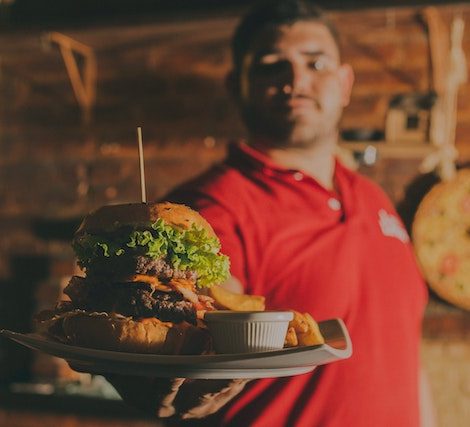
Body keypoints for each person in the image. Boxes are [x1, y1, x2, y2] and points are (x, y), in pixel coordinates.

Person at [109, 1, 435, 425]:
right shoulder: (210, 207)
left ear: (345, 82)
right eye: (270, 65)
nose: (296, 79)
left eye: (316, 63)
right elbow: (190, 338)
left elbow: (406, 353)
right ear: (236, 86)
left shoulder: (374, 198)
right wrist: (175, 383)